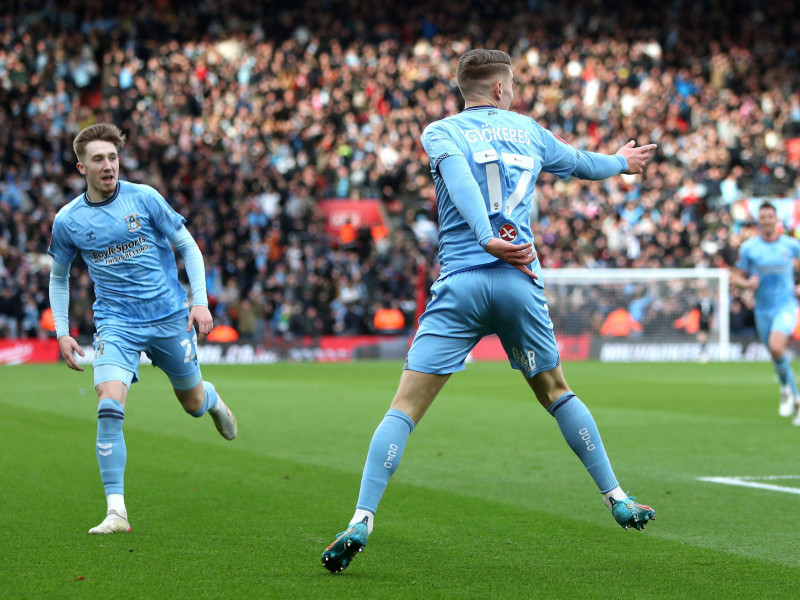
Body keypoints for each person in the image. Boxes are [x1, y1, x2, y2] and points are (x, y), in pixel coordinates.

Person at [321, 49, 657, 574]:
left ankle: (361, 518)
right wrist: (622, 161)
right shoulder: (530, 131)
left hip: (462, 282)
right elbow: (585, 165)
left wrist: (482, 236)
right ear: (501, 89)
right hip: (519, 280)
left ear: (467, 89)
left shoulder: (442, 131)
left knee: (404, 409)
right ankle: (616, 496)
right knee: (557, 392)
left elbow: (457, 180)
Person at [48, 123, 238, 535]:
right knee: (108, 405)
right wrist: (62, 331)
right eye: (98, 159)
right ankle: (116, 511)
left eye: (113, 157)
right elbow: (59, 277)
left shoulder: (145, 198)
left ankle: (212, 400)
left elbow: (188, 246)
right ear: (81, 166)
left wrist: (199, 301)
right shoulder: (68, 220)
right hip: (116, 323)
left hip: (169, 317)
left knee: (191, 403)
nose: (108, 165)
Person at [732, 201, 800, 423]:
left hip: (786, 306)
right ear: (759, 221)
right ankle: (789, 392)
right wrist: (746, 284)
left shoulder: (790, 245)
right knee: (776, 353)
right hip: (762, 310)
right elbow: (736, 277)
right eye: (763, 217)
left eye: (771, 216)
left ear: (777, 220)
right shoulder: (750, 248)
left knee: (776, 346)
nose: (767, 220)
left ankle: (791, 395)